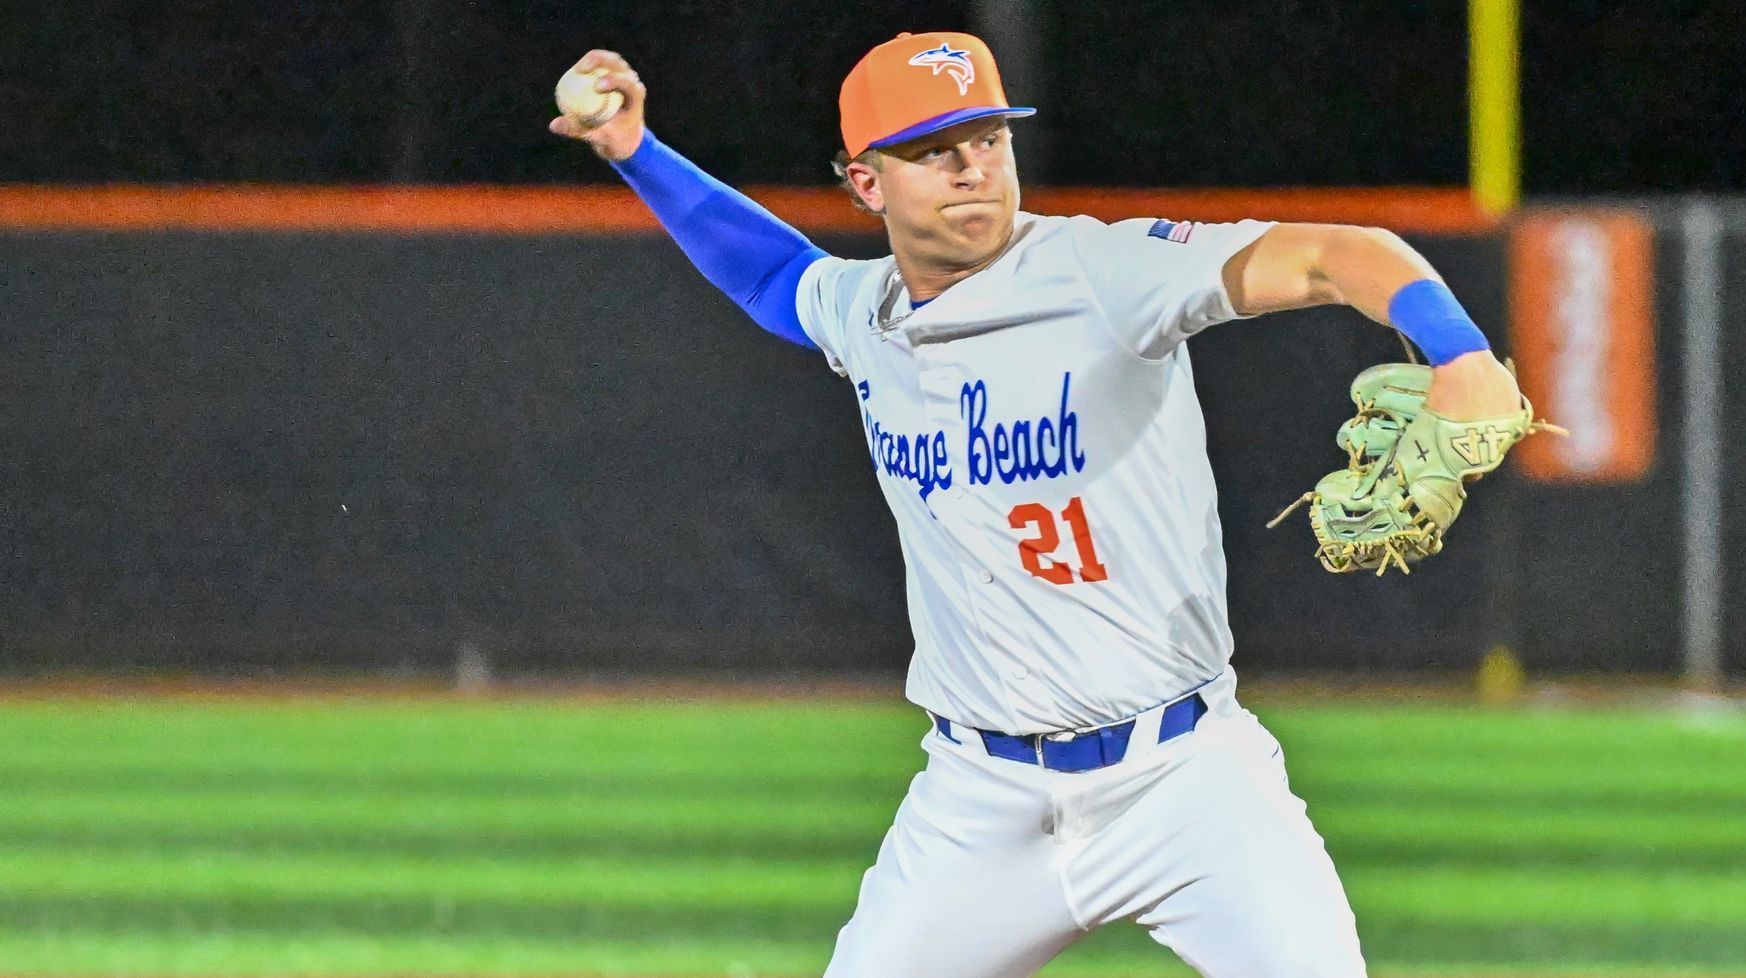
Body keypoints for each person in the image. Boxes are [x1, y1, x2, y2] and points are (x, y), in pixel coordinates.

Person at [551, 30, 1520, 978]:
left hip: (1185, 781)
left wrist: (1462, 354)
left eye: (988, 139)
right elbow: (769, 273)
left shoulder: (1104, 272)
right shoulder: (865, 314)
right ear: (866, 183)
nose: (972, 168)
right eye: (933, 151)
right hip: (980, 800)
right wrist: (633, 151)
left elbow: (1336, 255)